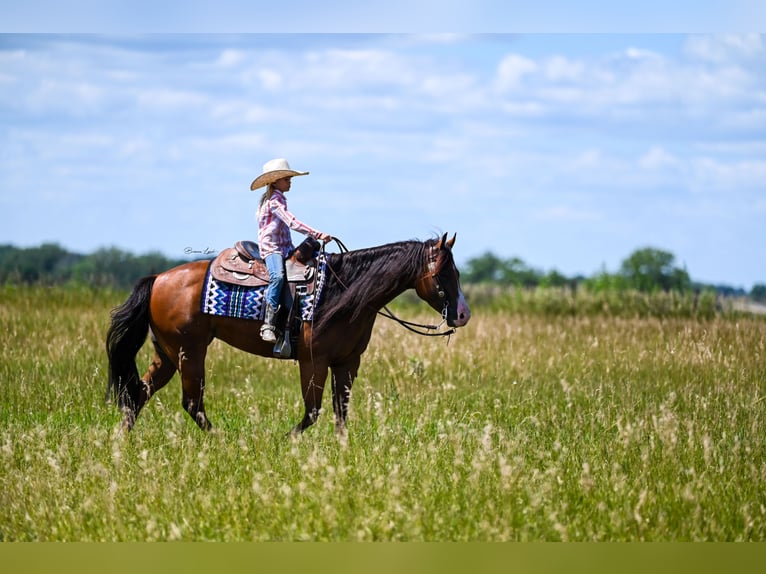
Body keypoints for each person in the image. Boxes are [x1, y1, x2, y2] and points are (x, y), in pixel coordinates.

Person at [250, 158, 332, 342]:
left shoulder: (278, 198)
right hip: (273, 248)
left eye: (289, 179)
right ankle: (268, 325)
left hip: (285, 248)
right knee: (277, 276)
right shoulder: (274, 201)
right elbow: (291, 222)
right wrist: (317, 234)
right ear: (275, 181)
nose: (290, 182)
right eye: (286, 179)